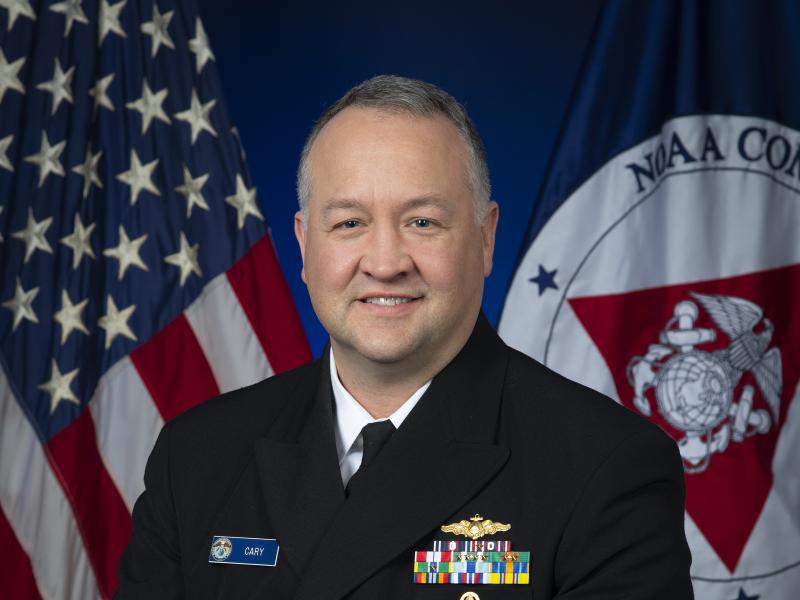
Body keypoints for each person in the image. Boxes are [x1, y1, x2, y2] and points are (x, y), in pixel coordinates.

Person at [116, 75, 693, 599]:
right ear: (303, 245)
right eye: (348, 223)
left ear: (485, 238)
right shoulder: (196, 457)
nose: (386, 262)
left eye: (422, 221)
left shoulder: (605, 466)